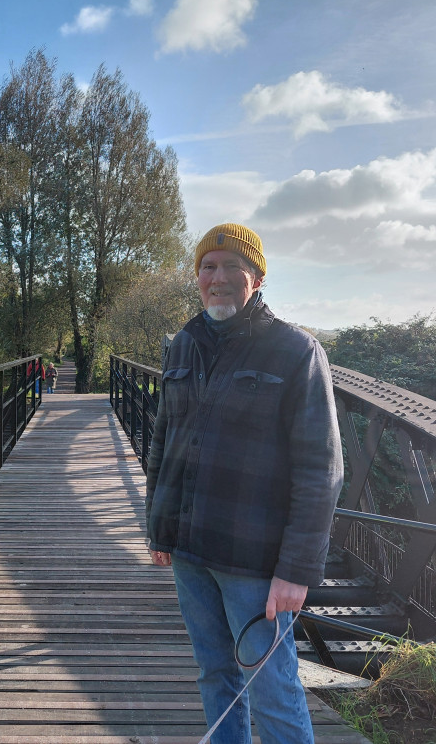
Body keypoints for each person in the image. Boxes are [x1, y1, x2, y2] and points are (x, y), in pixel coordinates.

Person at [146, 223, 343, 744]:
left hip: (255, 561)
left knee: (272, 688)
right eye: (208, 267)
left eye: (232, 266)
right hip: (190, 552)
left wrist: (296, 570)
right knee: (215, 675)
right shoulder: (183, 345)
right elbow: (164, 441)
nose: (218, 278)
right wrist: (159, 528)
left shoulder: (295, 351)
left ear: (257, 277)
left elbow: (320, 469)